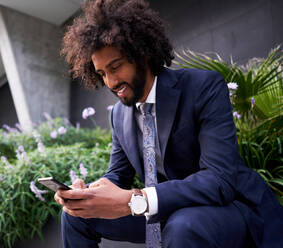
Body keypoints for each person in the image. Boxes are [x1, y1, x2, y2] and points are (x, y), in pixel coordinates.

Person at [55, 0, 283, 247]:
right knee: (75, 217)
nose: (110, 82)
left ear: (141, 53)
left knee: (183, 226)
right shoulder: (119, 115)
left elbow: (219, 179)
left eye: (116, 67)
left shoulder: (203, 87)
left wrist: (138, 199)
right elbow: (117, 176)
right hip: (164, 209)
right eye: (101, 73)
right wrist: (87, 194)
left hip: (228, 207)